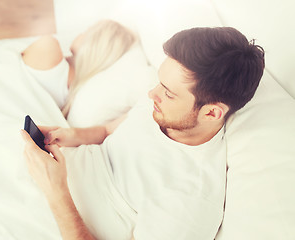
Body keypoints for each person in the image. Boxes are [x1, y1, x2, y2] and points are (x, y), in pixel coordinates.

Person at [21, 27, 265, 239]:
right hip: (43, 178)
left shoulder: (190, 200)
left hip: (50, 215)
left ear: (211, 113)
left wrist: (56, 190)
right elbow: (107, 131)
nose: (152, 94)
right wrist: (71, 135)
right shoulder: (161, 108)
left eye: (168, 93)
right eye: (160, 82)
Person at [21, 19, 141, 124]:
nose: (81, 33)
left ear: (94, 43)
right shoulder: (73, 92)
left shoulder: (49, 47)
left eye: (88, 30)